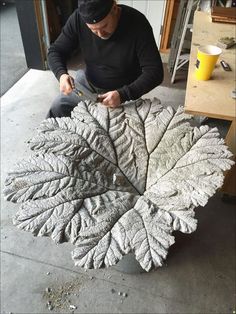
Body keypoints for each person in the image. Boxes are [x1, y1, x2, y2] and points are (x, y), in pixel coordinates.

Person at [47, 0, 163, 118]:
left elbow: (155, 72)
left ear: (114, 8)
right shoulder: (78, 18)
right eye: (93, 30)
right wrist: (61, 74)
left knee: (119, 130)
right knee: (57, 108)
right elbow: (55, 51)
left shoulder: (137, 22)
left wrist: (123, 94)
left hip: (123, 91)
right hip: (88, 85)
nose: (100, 34)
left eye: (104, 26)